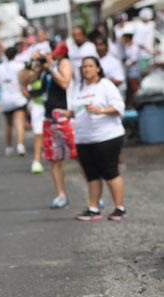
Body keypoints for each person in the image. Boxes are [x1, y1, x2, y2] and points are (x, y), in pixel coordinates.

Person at [60, 57, 127, 221]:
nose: (87, 69)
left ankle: (119, 208)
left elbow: (119, 107)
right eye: (84, 67)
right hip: (84, 138)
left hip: (107, 136)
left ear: (98, 68)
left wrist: (100, 111)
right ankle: (93, 208)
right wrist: (67, 114)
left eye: (90, 66)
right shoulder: (79, 88)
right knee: (91, 174)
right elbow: (76, 110)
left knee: (110, 172)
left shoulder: (106, 85)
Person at [41, 43, 75, 208]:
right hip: (50, 118)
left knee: (78, 156)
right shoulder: (48, 68)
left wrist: (52, 69)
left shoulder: (64, 63)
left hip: (64, 117)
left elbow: (65, 83)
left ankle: (95, 193)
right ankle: (61, 194)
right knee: (54, 159)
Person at [0, 46, 29, 156]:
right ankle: (20, 145)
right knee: (19, 122)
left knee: (8, 124)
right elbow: (25, 81)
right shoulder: (20, 66)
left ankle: (9, 147)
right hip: (18, 98)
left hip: (5, 99)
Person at [20, 51, 48, 173]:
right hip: (37, 104)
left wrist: (45, 63)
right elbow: (24, 81)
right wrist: (30, 62)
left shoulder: (50, 69)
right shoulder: (34, 72)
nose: (38, 62)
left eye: (40, 59)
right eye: (36, 60)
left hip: (51, 105)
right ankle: (36, 162)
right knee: (38, 133)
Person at [120, 31, 141, 109]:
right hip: (129, 70)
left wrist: (126, 64)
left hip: (134, 71)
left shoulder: (134, 47)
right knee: (131, 89)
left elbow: (134, 60)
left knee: (135, 88)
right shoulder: (127, 47)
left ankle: (140, 103)